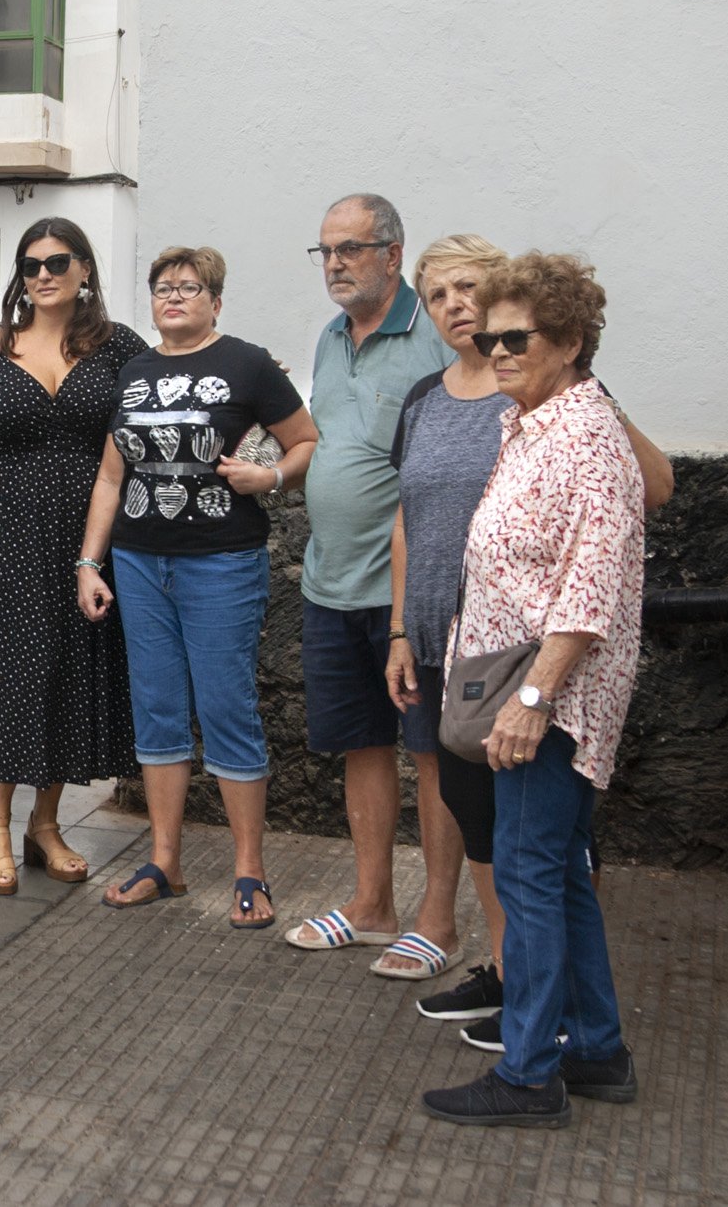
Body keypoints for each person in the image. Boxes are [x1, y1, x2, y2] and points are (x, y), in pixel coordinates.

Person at [387, 236, 675, 1023]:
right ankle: (560, 1019)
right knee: (498, 835)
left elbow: (615, 538)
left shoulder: (571, 409)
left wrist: (539, 692)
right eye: (439, 294)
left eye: (472, 291)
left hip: (533, 671)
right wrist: (402, 632)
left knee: (534, 858)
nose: (465, 313)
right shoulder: (469, 406)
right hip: (463, 651)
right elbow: (409, 518)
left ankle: (534, 1041)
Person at [422, 253, 648, 1127]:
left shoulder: (588, 437)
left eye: (518, 337)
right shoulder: (535, 423)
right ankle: (596, 1049)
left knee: (528, 872)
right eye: (490, 335)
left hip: (549, 700)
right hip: (523, 686)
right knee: (558, 875)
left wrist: (531, 703)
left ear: (571, 342)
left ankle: (528, 1071)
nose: (497, 348)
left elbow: (588, 591)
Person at [79, 246, 318, 926]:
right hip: (138, 562)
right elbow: (110, 478)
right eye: (162, 287)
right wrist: (88, 563)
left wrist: (268, 478)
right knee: (157, 709)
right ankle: (165, 860)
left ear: (216, 299)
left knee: (226, 707)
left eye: (189, 286)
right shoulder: (134, 371)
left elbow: (305, 441)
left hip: (220, 559)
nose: (174, 296)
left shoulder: (245, 363)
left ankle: (250, 871)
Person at [0, 218, 147, 895]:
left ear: (85, 269)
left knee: (73, 668)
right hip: (14, 524)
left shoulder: (119, 347)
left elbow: (170, 389)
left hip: (93, 529)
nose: (43, 275)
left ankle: (44, 823)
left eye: (58, 262)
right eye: (30, 266)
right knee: (19, 668)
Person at [282, 194, 461, 961]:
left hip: (409, 592)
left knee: (433, 752)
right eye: (324, 251)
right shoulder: (329, 337)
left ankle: (440, 920)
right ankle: (373, 902)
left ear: (393, 253)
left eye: (351, 249)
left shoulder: (439, 338)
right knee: (362, 745)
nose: (335, 264)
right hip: (330, 582)